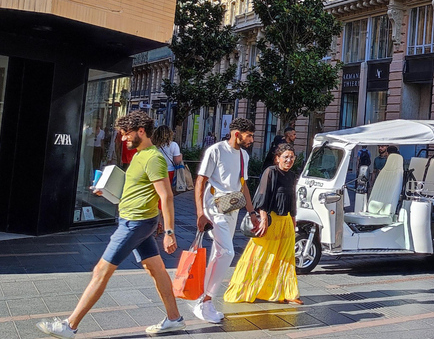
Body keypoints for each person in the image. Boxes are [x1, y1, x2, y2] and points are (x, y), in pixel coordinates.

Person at [37, 111, 184, 338]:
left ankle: (70, 325)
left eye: (126, 134)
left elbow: (166, 196)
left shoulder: (153, 158)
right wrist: (105, 190)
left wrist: (170, 232)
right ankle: (174, 318)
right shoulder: (139, 155)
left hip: (135, 224)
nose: (123, 139)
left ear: (141, 131)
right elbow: (134, 189)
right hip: (136, 221)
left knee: (100, 272)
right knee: (156, 268)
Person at [193, 118, 257, 323]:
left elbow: (243, 185)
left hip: (232, 207)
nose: (252, 139)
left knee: (219, 252)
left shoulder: (243, 156)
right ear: (236, 134)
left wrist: (252, 212)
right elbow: (200, 181)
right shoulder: (216, 150)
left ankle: (203, 299)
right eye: (249, 135)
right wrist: (200, 213)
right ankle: (206, 299)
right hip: (213, 206)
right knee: (227, 252)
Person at [224, 143, 302, 305]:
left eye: (291, 157)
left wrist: (293, 219)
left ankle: (287, 292)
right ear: (277, 158)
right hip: (270, 220)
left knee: (286, 258)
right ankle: (243, 291)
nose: (289, 160)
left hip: (286, 221)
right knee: (258, 255)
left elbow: (292, 199)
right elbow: (262, 196)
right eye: (285, 157)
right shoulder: (270, 172)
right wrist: (263, 218)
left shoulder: (292, 175)